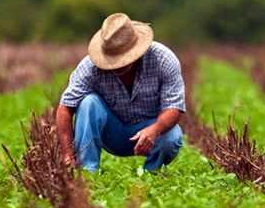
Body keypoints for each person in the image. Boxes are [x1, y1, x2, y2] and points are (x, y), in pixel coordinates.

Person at [56, 12, 185, 172]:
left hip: (150, 130)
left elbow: (174, 107)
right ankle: (87, 173)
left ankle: (151, 174)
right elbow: (65, 108)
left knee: (171, 136)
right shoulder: (90, 67)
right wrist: (68, 154)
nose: (118, 65)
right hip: (112, 132)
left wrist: (154, 129)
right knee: (88, 103)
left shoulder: (163, 60)